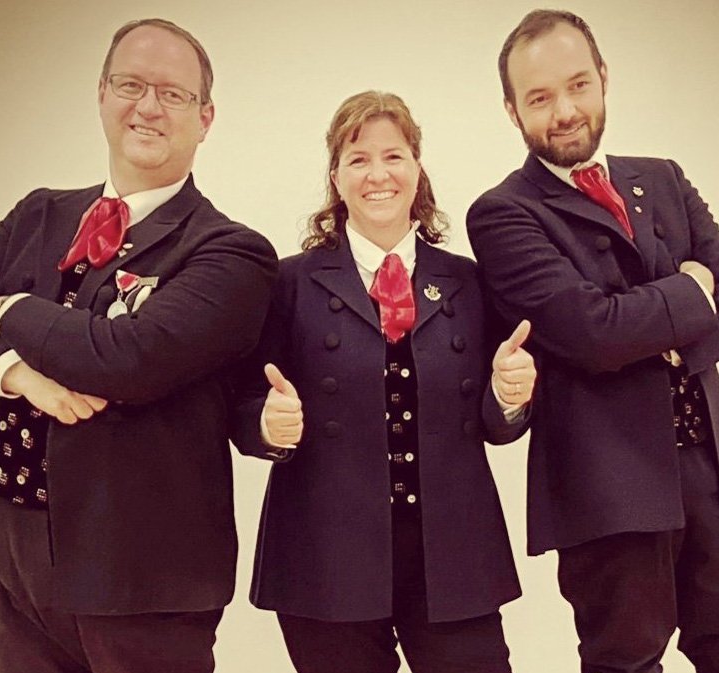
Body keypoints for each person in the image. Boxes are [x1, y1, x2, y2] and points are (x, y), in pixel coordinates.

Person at [0, 18, 277, 673]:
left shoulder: (231, 251)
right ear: (102, 93)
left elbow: (129, 360)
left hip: (140, 566)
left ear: (205, 117)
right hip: (13, 537)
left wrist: (9, 308)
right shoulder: (39, 213)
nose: (147, 107)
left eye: (172, 93)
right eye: (130, 84)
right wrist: (19, 375)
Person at [466, 9, 719, 673]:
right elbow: (591, 334)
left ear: (603, 78)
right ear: (511, 110)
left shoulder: (663, 178)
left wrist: (651, 329)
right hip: (606, 486)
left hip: (709, 471)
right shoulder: (502, 213)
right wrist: (690, 293)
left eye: (577, 85)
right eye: (539, 98)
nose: (564, 111)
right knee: (624, 662)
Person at [230, 90, 536, 673]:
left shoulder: (471, 282)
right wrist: (265, 425)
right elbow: (240, 403)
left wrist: (508, 396)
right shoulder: (287, 284)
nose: (378, 174)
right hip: (326, 557)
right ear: (336, 177)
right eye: (358, 159)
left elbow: (498, 426)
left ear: (417, 167)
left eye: (393, 156)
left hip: (454, 555)